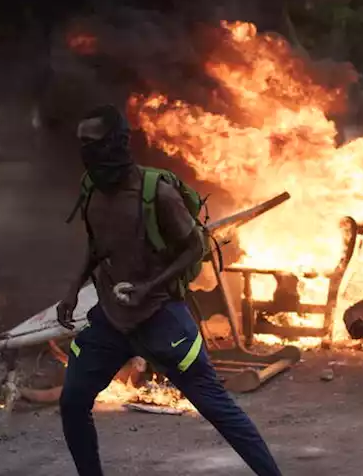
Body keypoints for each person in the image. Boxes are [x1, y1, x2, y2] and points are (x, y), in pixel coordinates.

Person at [56, 105, 282, 476]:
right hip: (112, 321)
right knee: (73, 401)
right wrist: (71, 291)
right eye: (82, 144)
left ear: (117, 143)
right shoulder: (90, 191)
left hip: (162, 318)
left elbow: (195, 247)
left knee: (217, 407)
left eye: (93, 143)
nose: (86, 152)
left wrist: (149, 288)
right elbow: (97, 246)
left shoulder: (157, 193)